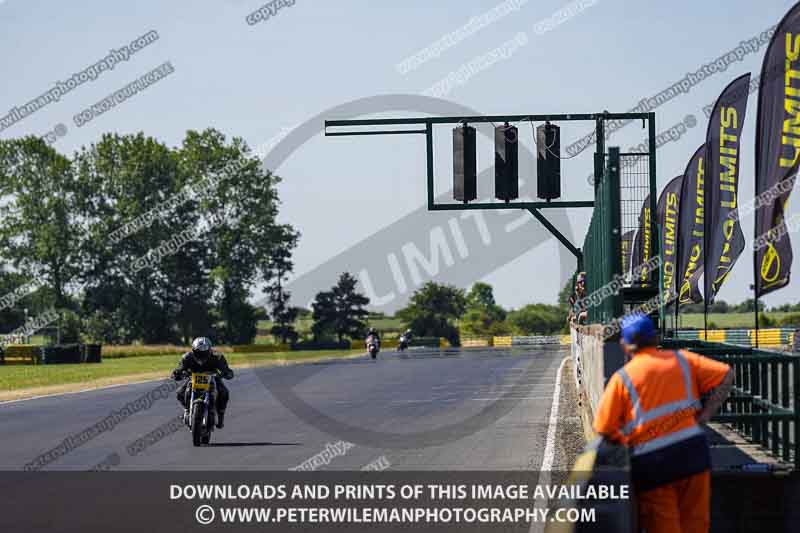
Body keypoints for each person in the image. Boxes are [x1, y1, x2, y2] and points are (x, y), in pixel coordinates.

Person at [593, 313, 734, 533]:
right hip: (693, 452)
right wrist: (705, 415)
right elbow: (727, 374)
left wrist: (627, 442)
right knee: (696, 524)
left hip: (653, 462)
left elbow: (603, 427)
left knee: (663, 525)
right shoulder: (682, 360)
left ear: (625, 344)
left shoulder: (623, 378)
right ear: (656, 338)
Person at [172, 337, 234, 429]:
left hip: (213, 378)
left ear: (209, 351)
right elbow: (180, 368)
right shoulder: (187, 357)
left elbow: (226, 369)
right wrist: (177, 373)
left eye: (204, 353)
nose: (201, 356)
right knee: (180, 393)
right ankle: (187, 410)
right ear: (193, 350)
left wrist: (227, 373)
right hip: (193, 378)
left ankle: (220, 416)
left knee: (224, 393)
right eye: (198, 353)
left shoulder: (217, 357)